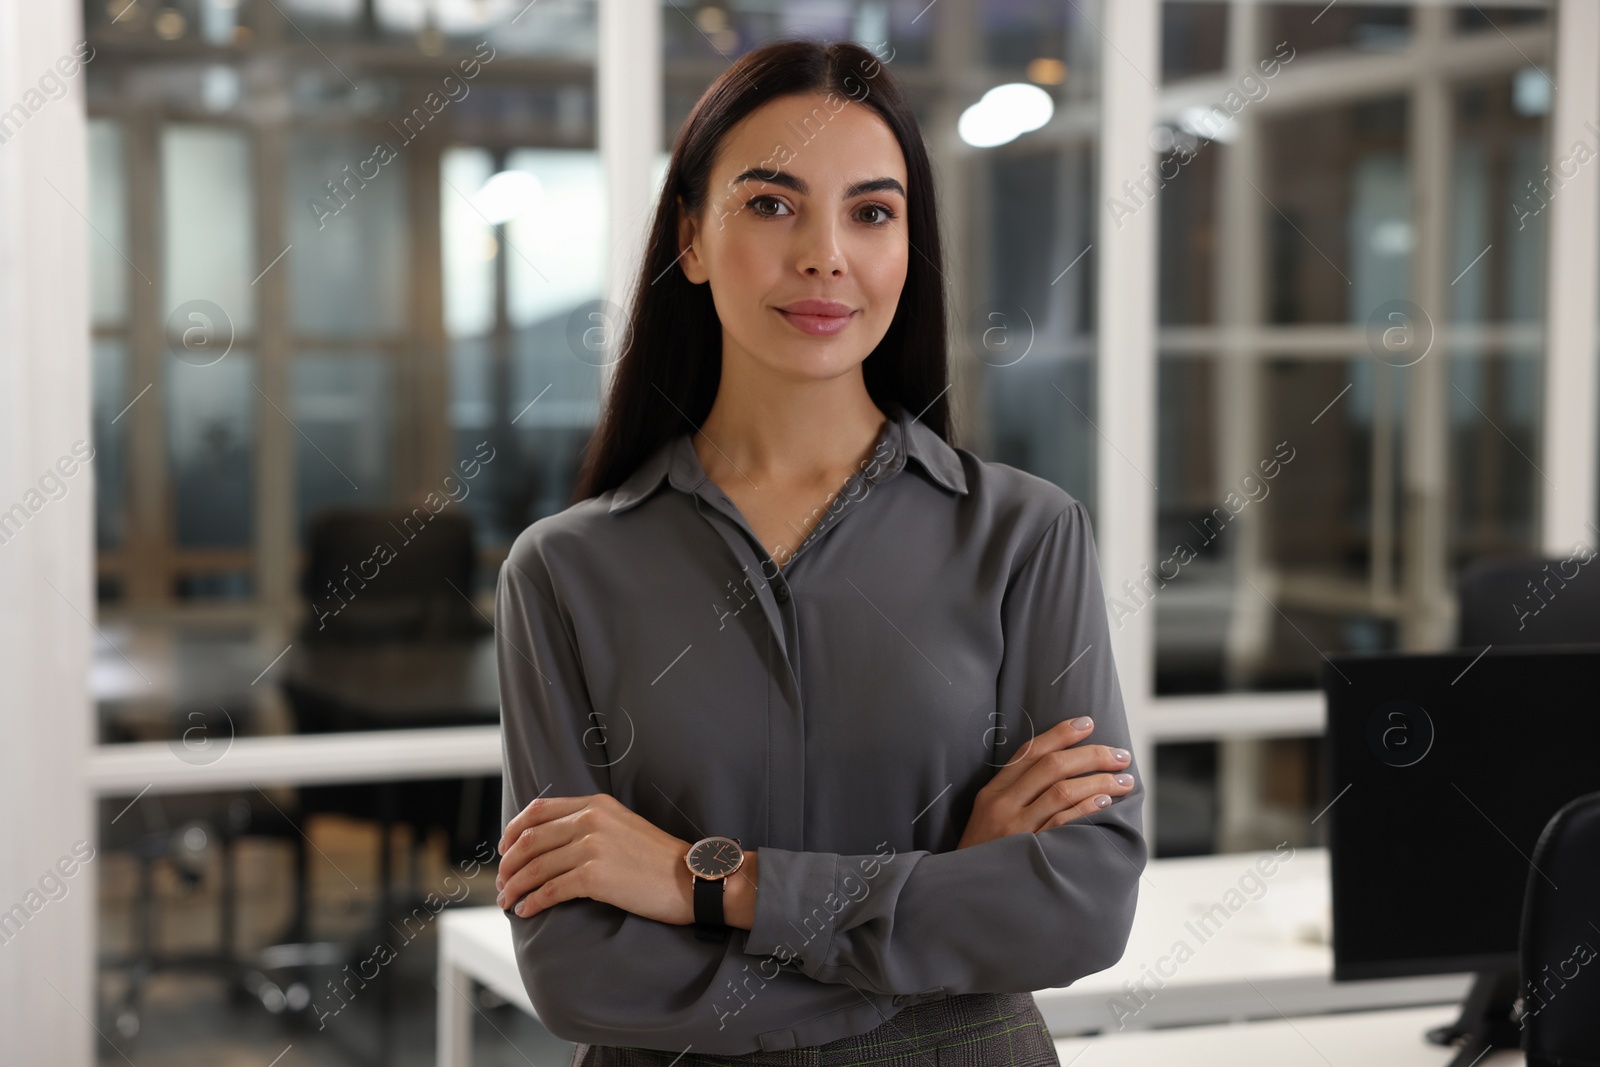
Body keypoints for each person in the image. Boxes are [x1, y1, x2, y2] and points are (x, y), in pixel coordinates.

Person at [490, 37, 1145, 1067]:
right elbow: (582, 970)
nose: (824, 255)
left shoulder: (1027, 534)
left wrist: (701, 880)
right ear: (691, 241)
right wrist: (934, 907)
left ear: (906, 248)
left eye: (872, 212)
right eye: (770, 203)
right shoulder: (564, 572)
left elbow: (1078, 907)